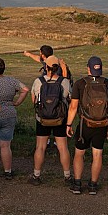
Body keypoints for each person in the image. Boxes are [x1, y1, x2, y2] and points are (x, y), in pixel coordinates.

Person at [66, 56, 108, 195]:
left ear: (88, 68)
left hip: (85, 124)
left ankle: (77, 184)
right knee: (97, 154)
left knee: (79, 153)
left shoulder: (80, 84)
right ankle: (93, 185)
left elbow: (73, 107)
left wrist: (68, 124)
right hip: (102, 124)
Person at [29, 55, 72, 186]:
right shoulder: (64, 82)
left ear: (45, 67)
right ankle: (67, 176)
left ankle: (36, 175)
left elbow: (34, 100)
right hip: (60, 118)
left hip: (42, 118)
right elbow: (69, 100)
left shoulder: (38, 81)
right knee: (63, 148)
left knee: (40, 147)